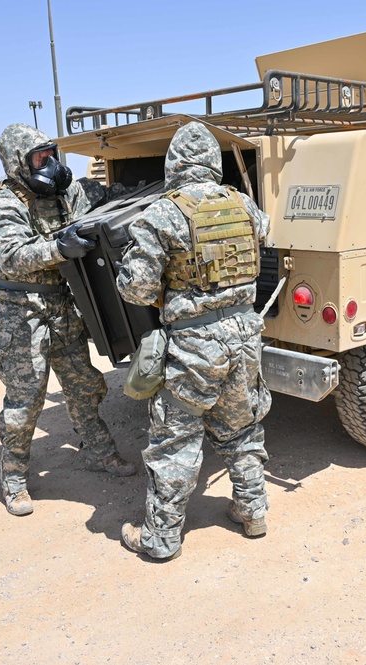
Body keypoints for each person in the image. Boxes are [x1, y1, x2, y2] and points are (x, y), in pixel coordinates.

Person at [116, 122, 271, 561]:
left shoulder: (162, 214)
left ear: (174, 164)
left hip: (194, 343)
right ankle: (253, 511)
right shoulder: (241, 202)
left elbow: (137, 289)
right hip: (244, 335)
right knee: (242, 428)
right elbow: (265, 233)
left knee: (175, 439)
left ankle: (161, 539)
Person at [0, 123, 136, 517]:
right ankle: (14, 477)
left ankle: (99, 453)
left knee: (84, 386)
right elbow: (11, 254)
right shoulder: (3, 204)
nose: (48, 163)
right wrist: (58, 248)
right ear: (18, 163)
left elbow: (98, 206)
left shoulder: (66, 192)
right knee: (26, 400)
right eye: (39, 158)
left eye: (51, 154)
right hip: (22, 313)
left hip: (64, 307)